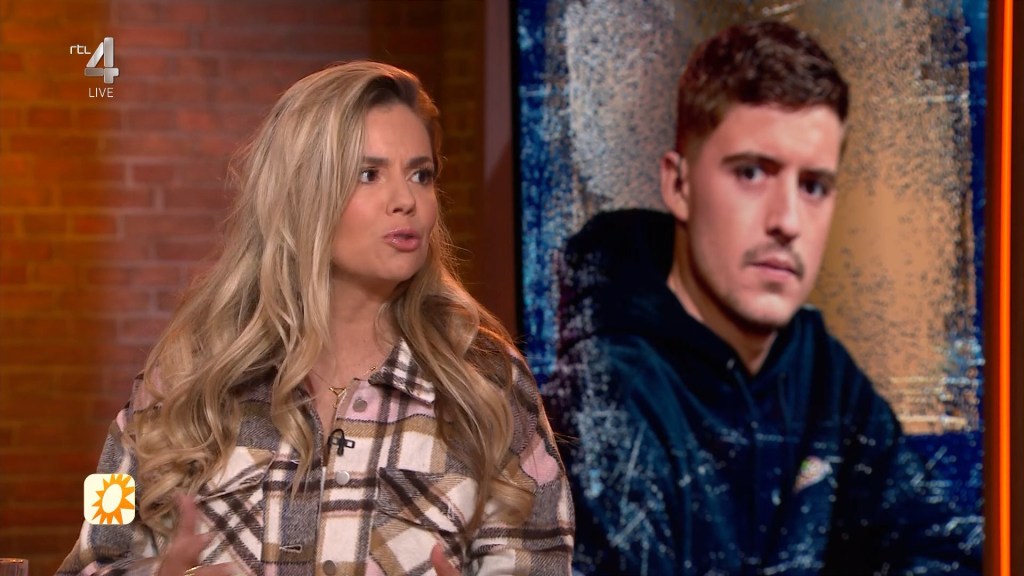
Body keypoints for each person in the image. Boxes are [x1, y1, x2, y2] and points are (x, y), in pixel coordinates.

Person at [59, 61, 574, 576]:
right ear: (301, 191)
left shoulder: (486, 378)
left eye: (421, 174)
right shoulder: (179, 373)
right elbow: (88, 559)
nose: (407, 201)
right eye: (369, 174)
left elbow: (543, 560)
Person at [543, 20, 981, 576]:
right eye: (752, 173)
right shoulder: (603, 396)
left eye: (813, 186)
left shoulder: (819, 368)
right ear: (679, 185)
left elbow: (940, 549)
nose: (788, 221)